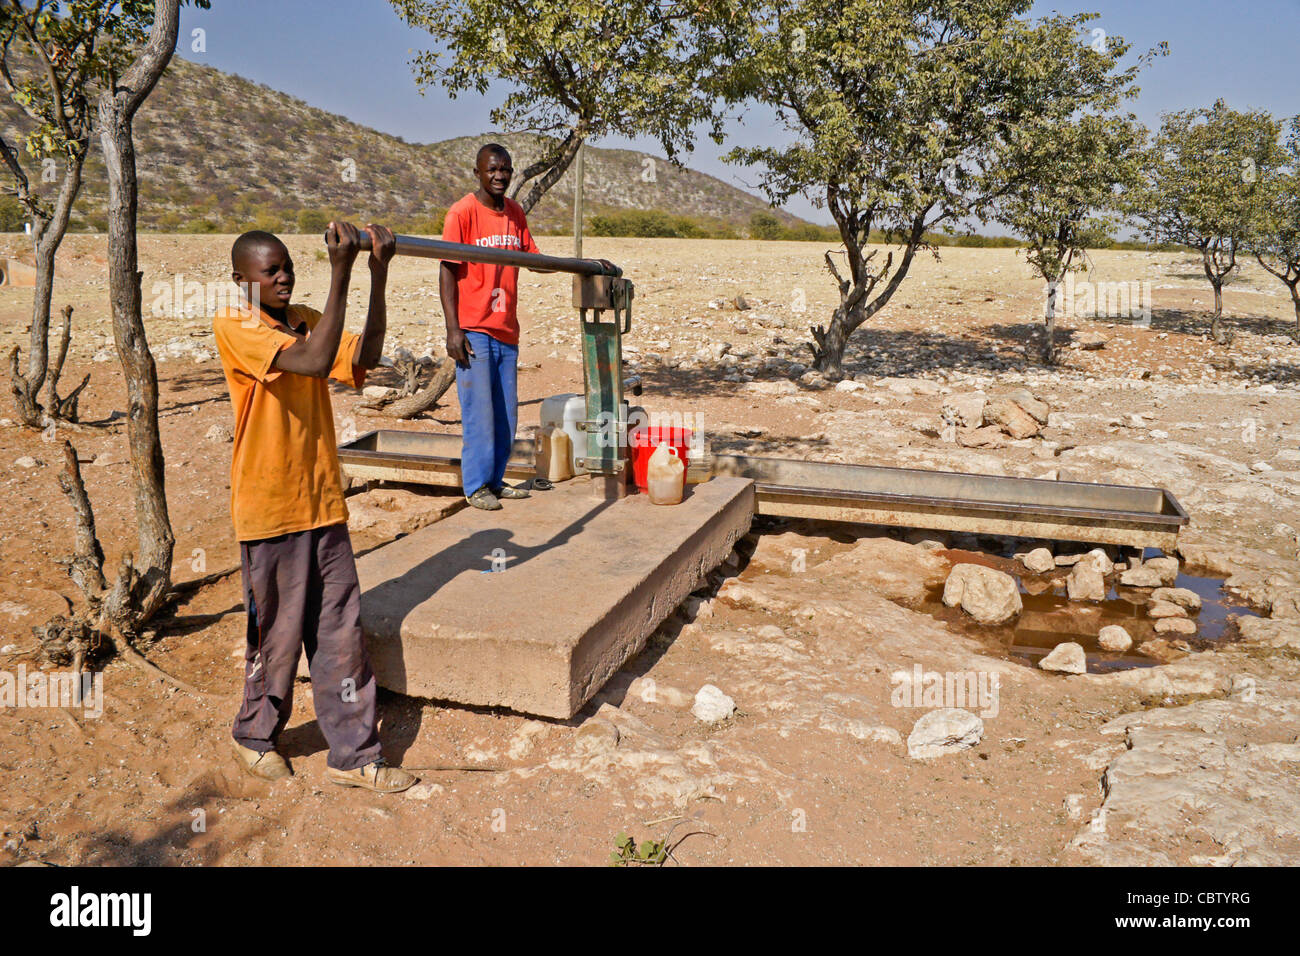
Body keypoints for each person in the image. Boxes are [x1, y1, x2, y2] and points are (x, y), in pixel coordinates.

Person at [212, 222, 417, 794]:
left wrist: (377, 274)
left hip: (322, 501)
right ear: (241, 281)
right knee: (276, 636)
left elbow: (363, 356)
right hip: (270, 507)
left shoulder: (303, 315)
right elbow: (313, 359)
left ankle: (354, 754)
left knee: (340, 634)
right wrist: (342, 269)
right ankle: (254, 736)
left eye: (286, 267)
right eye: (269, 271)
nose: (282, 277)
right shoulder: (236, 325)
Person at [439, 142, 613, 509]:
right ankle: (475, 486)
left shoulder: (515, 213)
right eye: (492, 170)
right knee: (479, 414)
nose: (500, 176)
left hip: (506, 329)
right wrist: (453, 329)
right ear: (478, 173)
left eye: (505, 169)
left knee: (506, 413)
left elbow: (533, 259)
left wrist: (582, 265)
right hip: (473, 329)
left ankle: (495, 480)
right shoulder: (462, 213)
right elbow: (447, 270)